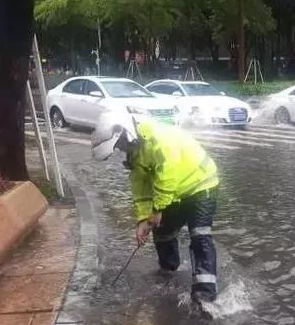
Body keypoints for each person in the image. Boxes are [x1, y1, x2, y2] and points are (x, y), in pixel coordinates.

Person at [91, 112, 220, 304]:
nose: (120, 149)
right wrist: (144, 220)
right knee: (161, 232)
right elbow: (140, 186)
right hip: (174, 193)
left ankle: (205, 297)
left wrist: (157, 209)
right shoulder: (136, 151)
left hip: (200, 186)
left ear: (127, 133)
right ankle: (169, 273)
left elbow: (168, 176)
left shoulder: (159, 139)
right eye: (118, 147)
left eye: (120, 144)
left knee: (200, 236)